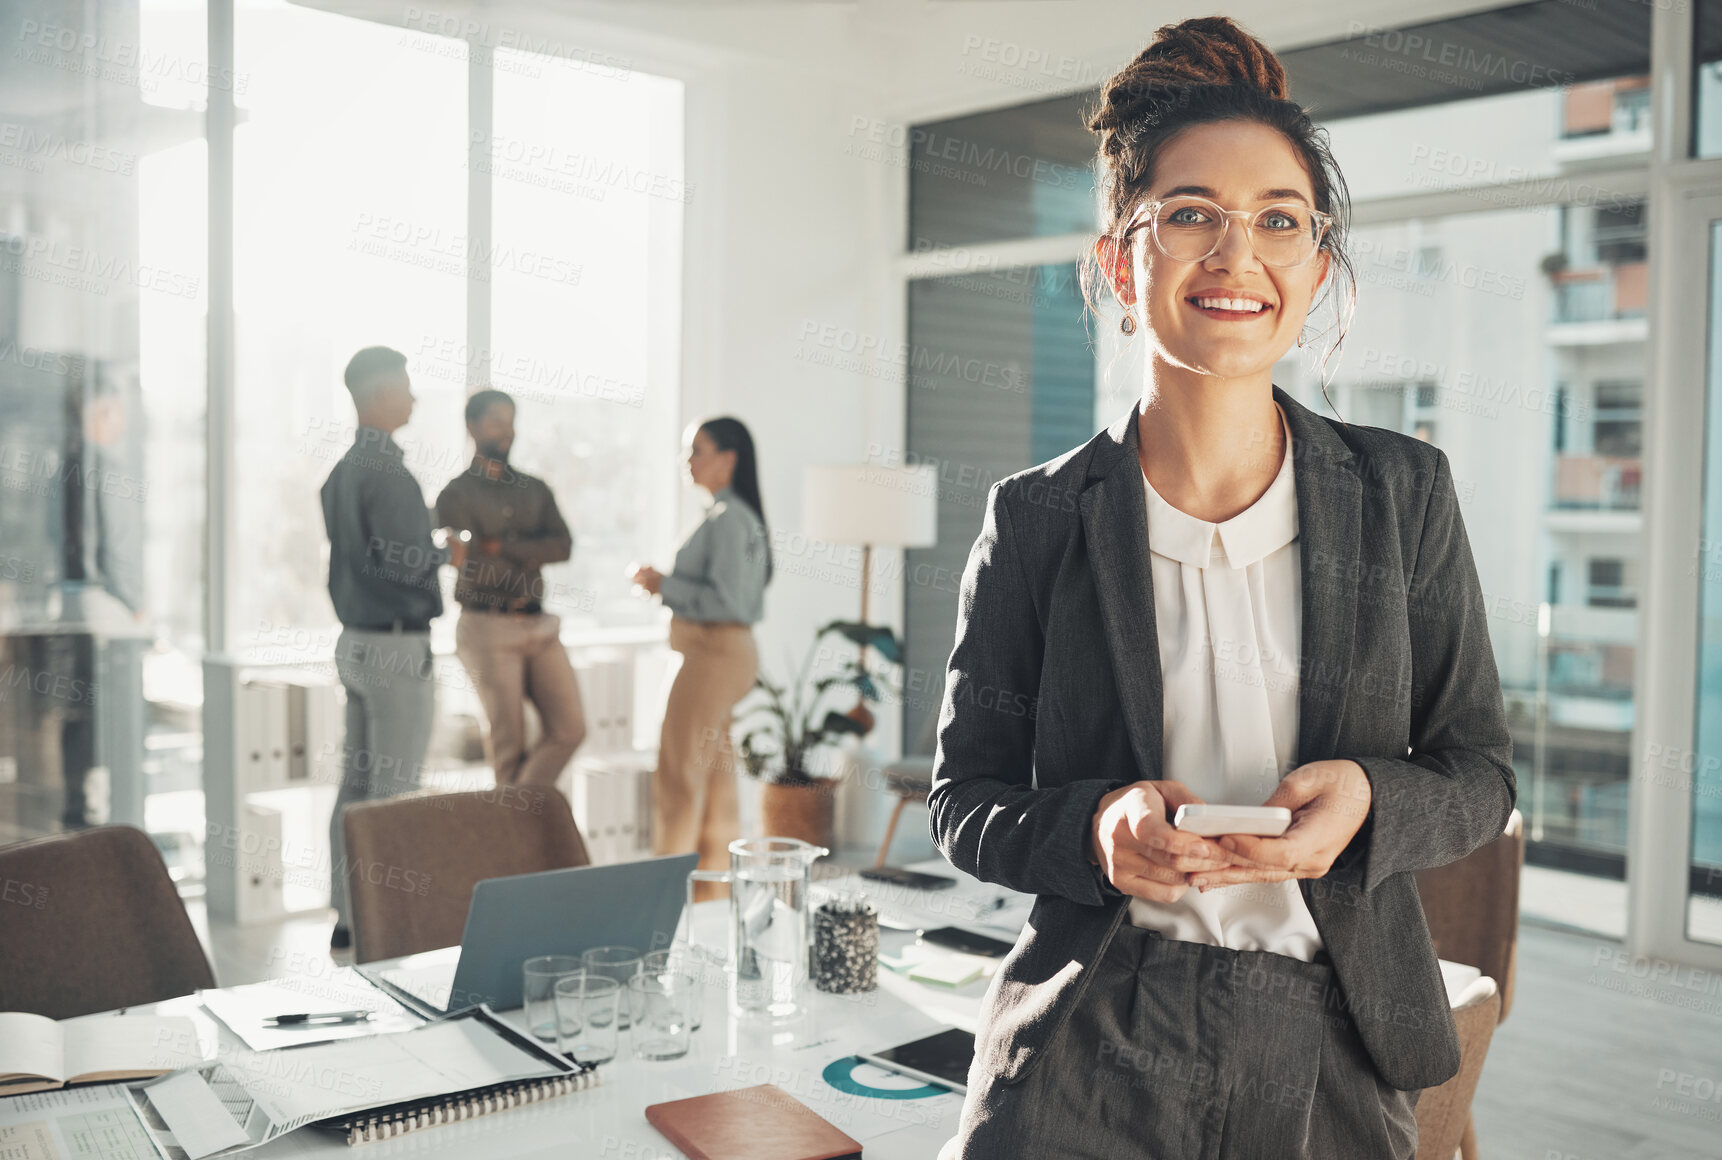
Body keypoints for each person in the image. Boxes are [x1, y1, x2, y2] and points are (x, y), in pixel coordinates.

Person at [928, 17, 1515, 1159]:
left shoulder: (1403, 494)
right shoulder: (1036, 518)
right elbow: (966, 798)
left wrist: (1368, 803)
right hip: (1090, 1029)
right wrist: (1098, 825)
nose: (1236, 254)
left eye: (1279, 221)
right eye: (1190, 212)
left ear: (1315, 261)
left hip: (1334, 1037)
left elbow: (1481, 772)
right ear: (1118, 260)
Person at [320, 345, 450, 953]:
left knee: (357, 788)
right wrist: (450, 550)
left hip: (356, 645)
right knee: (394, 797)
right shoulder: (389, 473)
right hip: (397, 650)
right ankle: (390, 926)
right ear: (377, 395)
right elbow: (407, 561)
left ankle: (350, 916)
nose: (413, 396)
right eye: (403, 386)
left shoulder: (342, 472)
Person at [632, 418, 771, 898]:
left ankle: (662, 894)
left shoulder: (729, 519)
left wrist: (662, 586)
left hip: (713, 653)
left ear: (728, 458)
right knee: (712, 775)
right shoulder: (731, 516)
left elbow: (729, 602)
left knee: (678, 773)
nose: (686, 460)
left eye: (697, 450)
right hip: (721, 654)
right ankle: (711, 894)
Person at [435, 389, 586, 788]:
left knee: (570, 729)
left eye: (511, 420)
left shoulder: (535, 488)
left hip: (538, 622)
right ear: (472, 426)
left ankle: (514, 814)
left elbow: (563, 546)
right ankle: (517, 836)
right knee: (509, 745)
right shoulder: (454, 495)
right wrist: (527, 552)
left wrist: (502, 546)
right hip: (487, 626)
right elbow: (472, 566)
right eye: (497, 421)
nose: (507, 430)